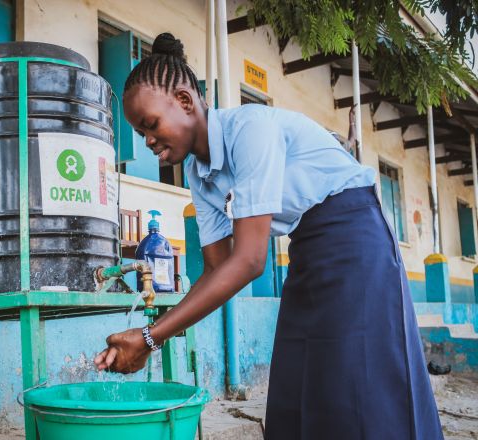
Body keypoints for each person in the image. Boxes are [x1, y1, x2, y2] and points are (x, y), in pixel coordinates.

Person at [94, 32, 443, 439]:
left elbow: (250, 261)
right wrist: (151, 337)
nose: (149, 141)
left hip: (357, 236)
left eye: (151, 125)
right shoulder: (199, 174)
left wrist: (151, 338)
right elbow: (217, 269)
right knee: (296, 382)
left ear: (186, 102)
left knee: (360, 378)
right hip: (307, 245)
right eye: (141, 134)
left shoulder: (250, 130)